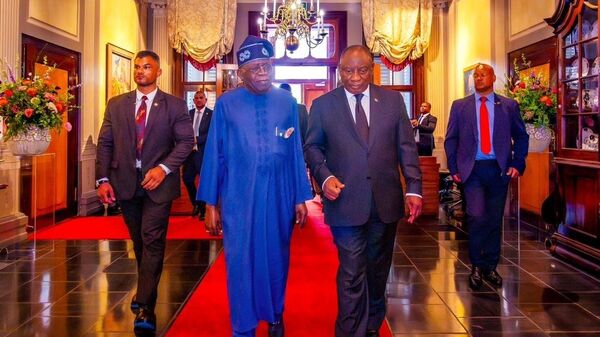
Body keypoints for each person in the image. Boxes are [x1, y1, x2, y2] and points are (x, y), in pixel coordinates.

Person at [304, 45, 423, 337]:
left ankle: (371, 326)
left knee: (377, 271)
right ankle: (348, 332)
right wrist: (325, 176)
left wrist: (415, 189)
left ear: (372, 69)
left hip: (385, 203)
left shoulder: (393, 102)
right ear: (339, 70)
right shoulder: (323, 105)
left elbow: (406, 148)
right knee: (351, 272)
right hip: (344, 202)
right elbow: (312, 147)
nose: (355, 77)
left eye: (361, 70)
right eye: (347, 70)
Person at [197, 35, 312, 337]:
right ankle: (243, 325)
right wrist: (211, 205)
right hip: (238, 198)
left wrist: (300, 197)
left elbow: (296, 151)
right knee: (240, 261)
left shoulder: (287, 102)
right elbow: (214, 155)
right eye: (255, 68)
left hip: (279, 196)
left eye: (267, 66)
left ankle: (275, 314)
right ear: (241, 72)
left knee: (277, 257)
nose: (263, 73)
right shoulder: (225, 105)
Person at [96, 50, 194, 332]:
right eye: (137, 67)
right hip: (125, 183)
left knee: (152, 240)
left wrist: (163, 168)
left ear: (158, 72)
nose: (140, 71)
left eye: (147, 67)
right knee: (139, 241)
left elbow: (185, 143)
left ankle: (147, 308)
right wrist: (102, 180)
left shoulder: (174, 106)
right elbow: (104, 144)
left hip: (158, 185)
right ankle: (146, 287)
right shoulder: (116, 104)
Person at [444, 63, 528, 290]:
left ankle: (490, 266)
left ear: (493, 78)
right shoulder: (460, 106)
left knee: (493, 218)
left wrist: (518, 163)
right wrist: (454, 168)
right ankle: (476, 266)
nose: (478, 78)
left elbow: (521, 136)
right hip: (472, 170)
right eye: (475, 75)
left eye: (483, 74)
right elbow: (451, 139)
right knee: (476, 216)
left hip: (499, 169)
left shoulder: (508, 106)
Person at [182, 90, 213, 219]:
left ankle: (204, 209)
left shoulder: (211, 114)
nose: (199, 100)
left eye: (201, 98)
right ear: (193, 100)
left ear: (205, 100)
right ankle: (196, 204)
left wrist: (197, 139)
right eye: (196, 98)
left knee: (204, 182)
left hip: (203, 154)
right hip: (189, 154)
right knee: (187, 179)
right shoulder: (188, 114)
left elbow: (212, 133)